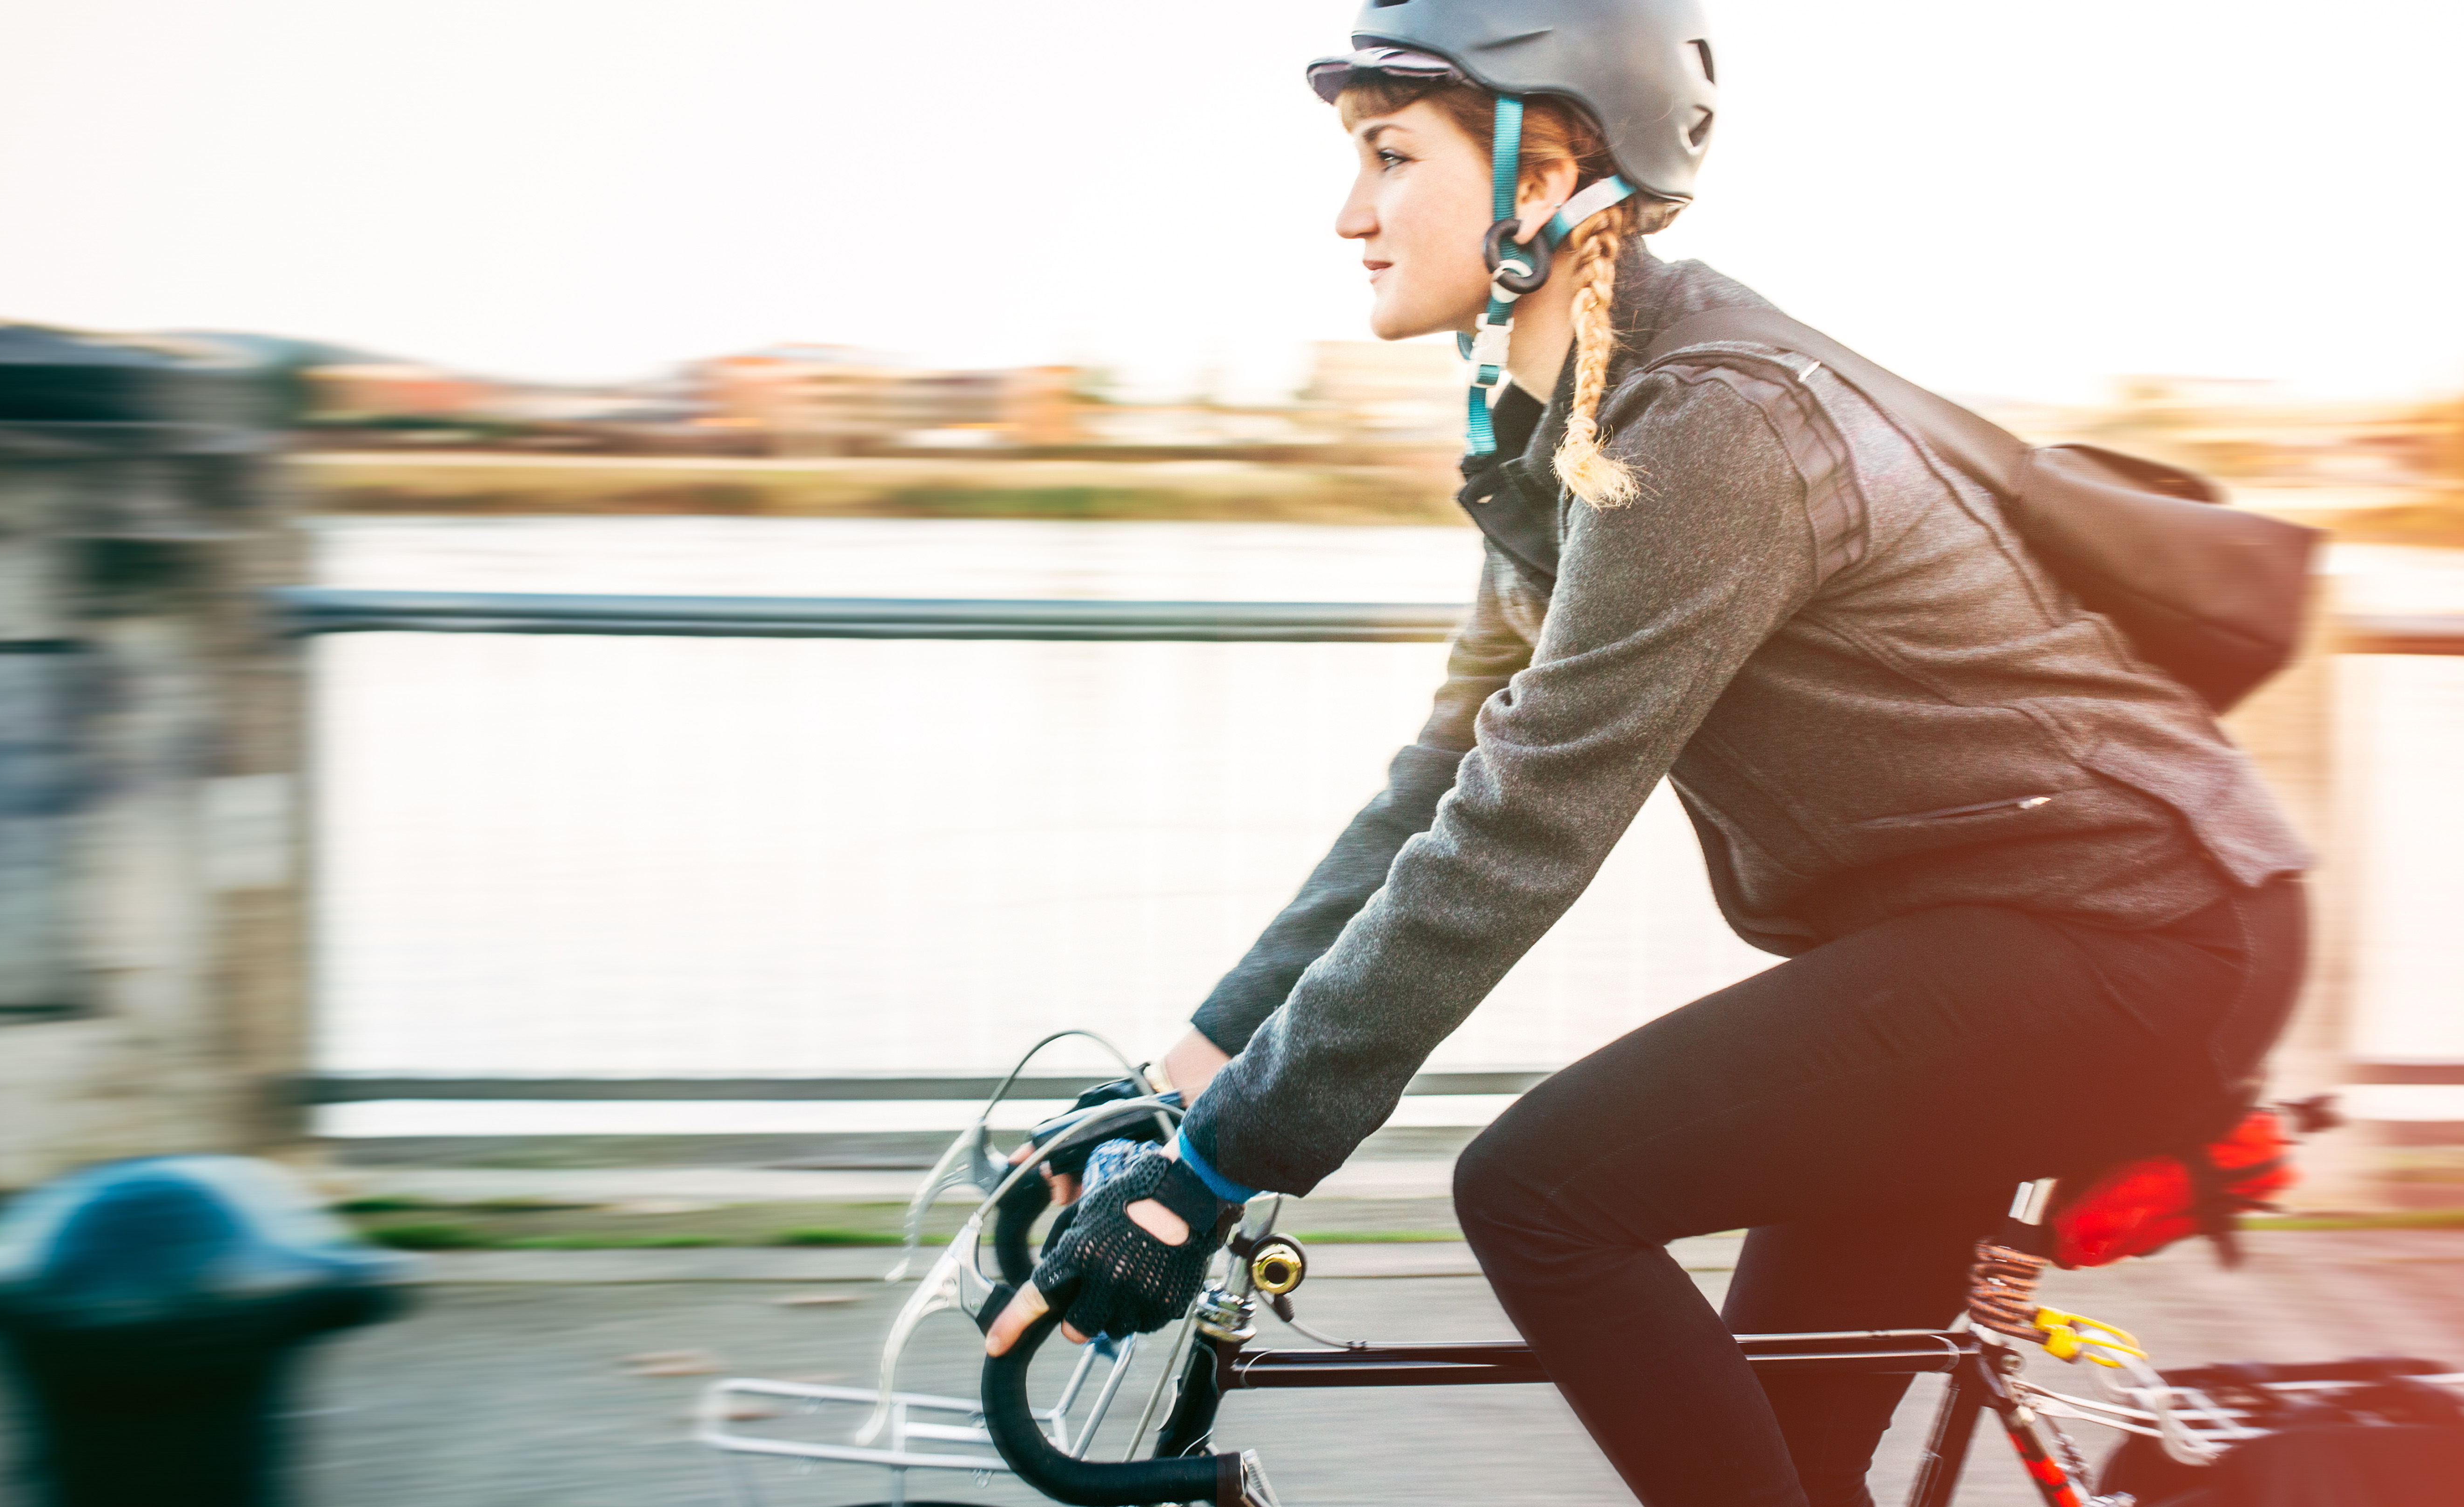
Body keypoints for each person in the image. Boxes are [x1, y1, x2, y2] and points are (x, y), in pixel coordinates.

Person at [988, 3, 2311, 1503]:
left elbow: (1527, 823)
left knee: (1541, 1194)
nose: (1347, 213)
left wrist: (1220, 1170)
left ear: (1540, 188)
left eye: (1389, 156)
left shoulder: (1705, 436)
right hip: (2005, 935)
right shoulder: (1552, 432)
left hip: (2134, 934)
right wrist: (1196, 1072)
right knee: (1779, 1466)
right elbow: (1443, 782)